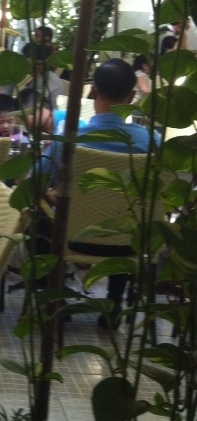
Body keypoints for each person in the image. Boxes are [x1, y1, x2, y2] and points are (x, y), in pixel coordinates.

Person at [42, 58, 159, 325]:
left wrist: (51, 194)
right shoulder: (153, 143)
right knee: (124, 214)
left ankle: (56, 297)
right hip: (130, 244)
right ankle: (114, 303)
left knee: (40, 214)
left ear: (93, 91)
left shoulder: (70, 140)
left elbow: (32, 181)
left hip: (74, 240)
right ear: (131, 97)